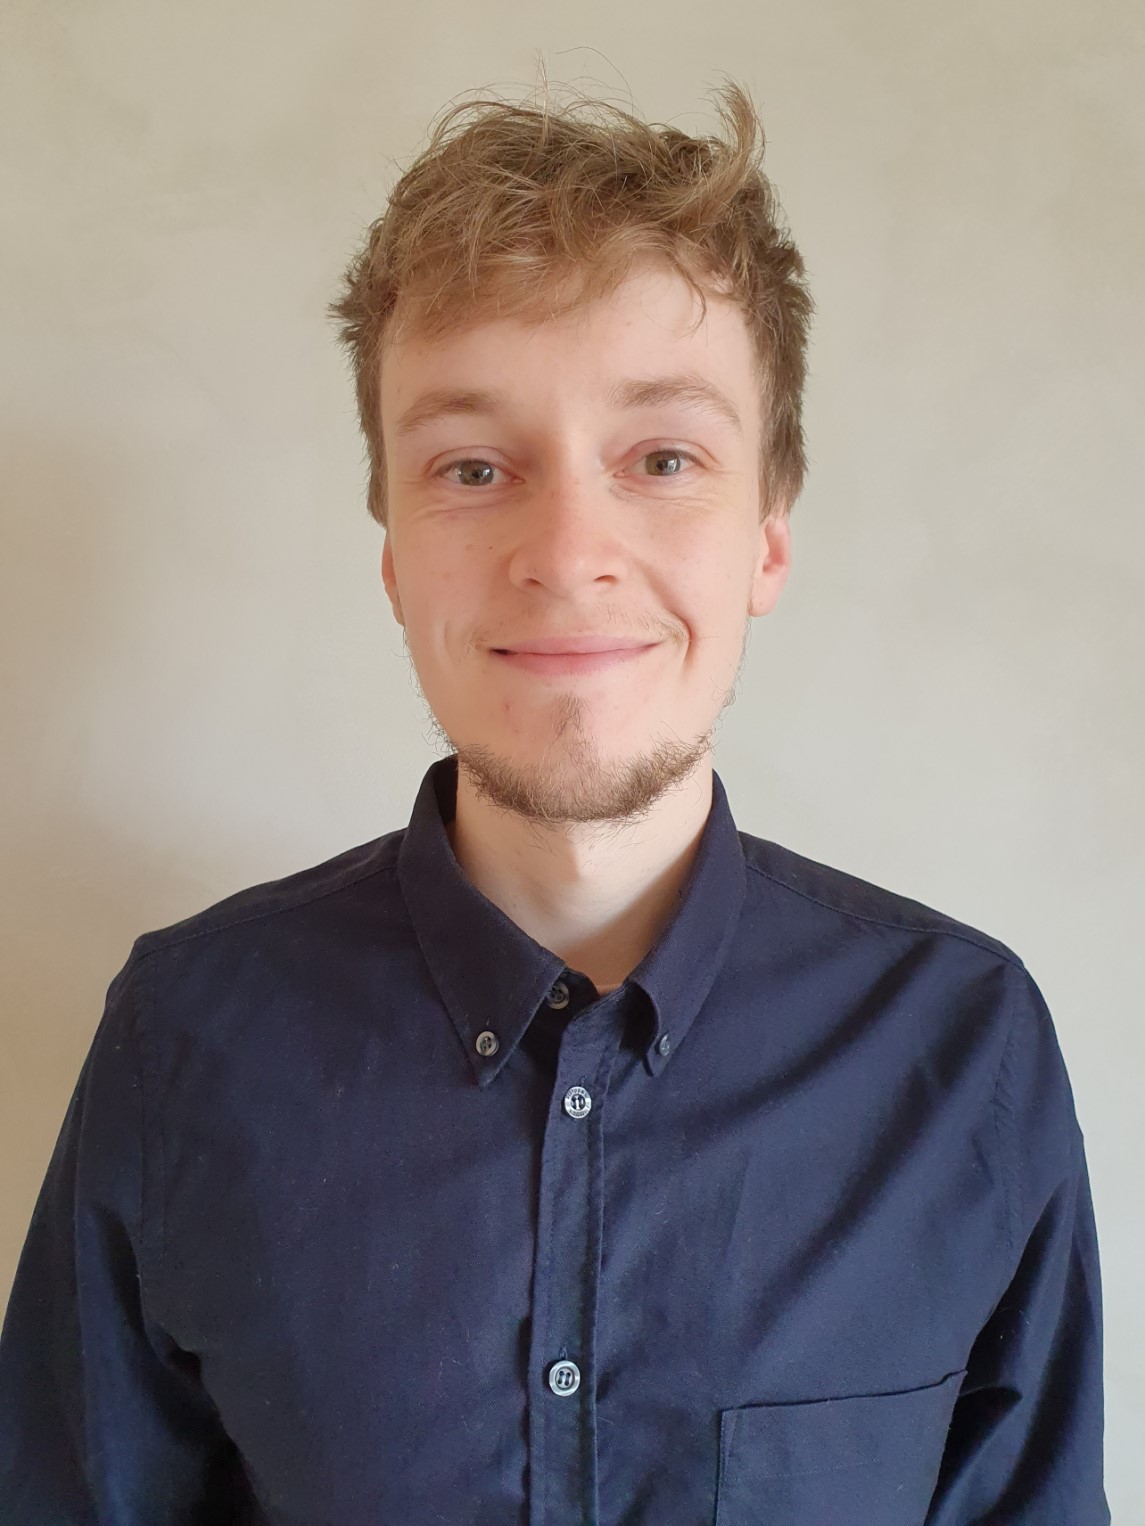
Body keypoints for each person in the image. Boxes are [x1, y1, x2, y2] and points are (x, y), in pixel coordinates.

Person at [0, 80, 1108, 1524]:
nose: (567, 549)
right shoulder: (184, 1038)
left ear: (766, 533)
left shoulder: (963, 1053)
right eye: (472, 465)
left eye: (660, 458)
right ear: (393, 550)